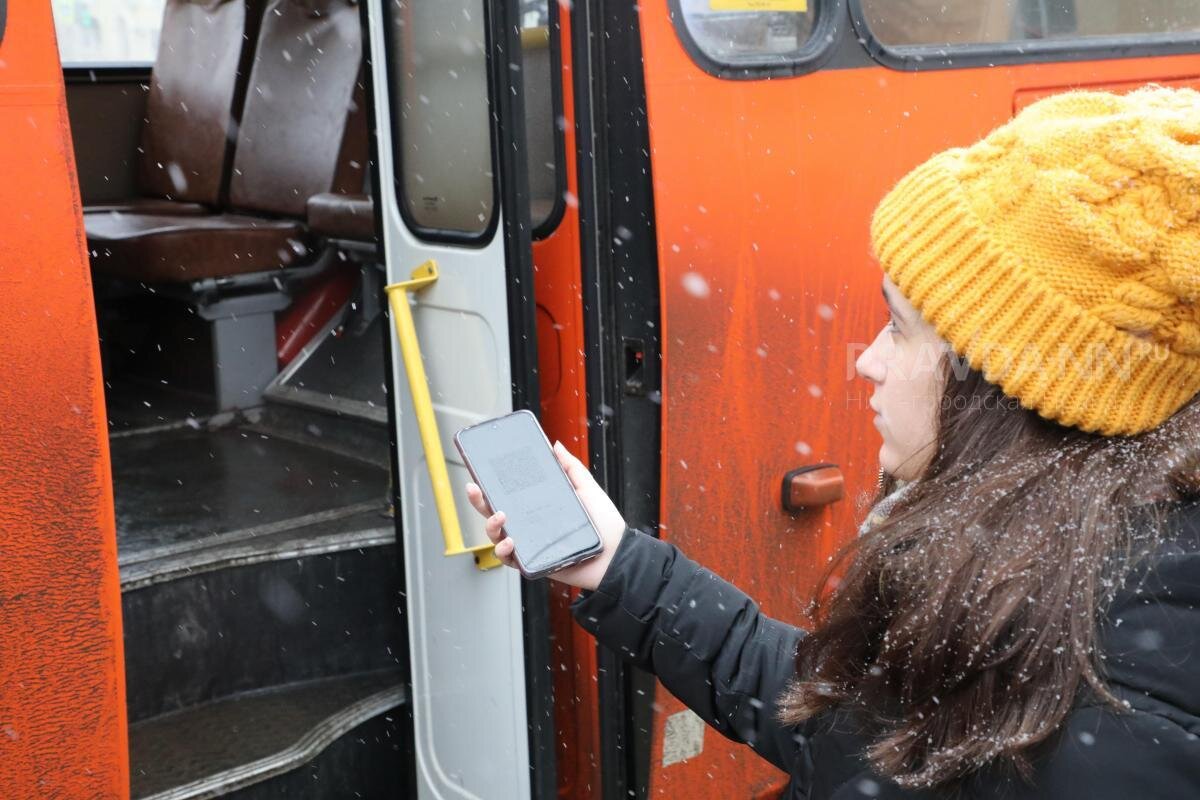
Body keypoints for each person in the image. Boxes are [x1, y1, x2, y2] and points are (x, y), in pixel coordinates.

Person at [465, 85, 1200, 798]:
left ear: (1011, 388)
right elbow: (846, 734)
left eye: (899, 329)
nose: (866, 361)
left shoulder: (1117, 729)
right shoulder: (1051, 583)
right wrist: (617, 564)